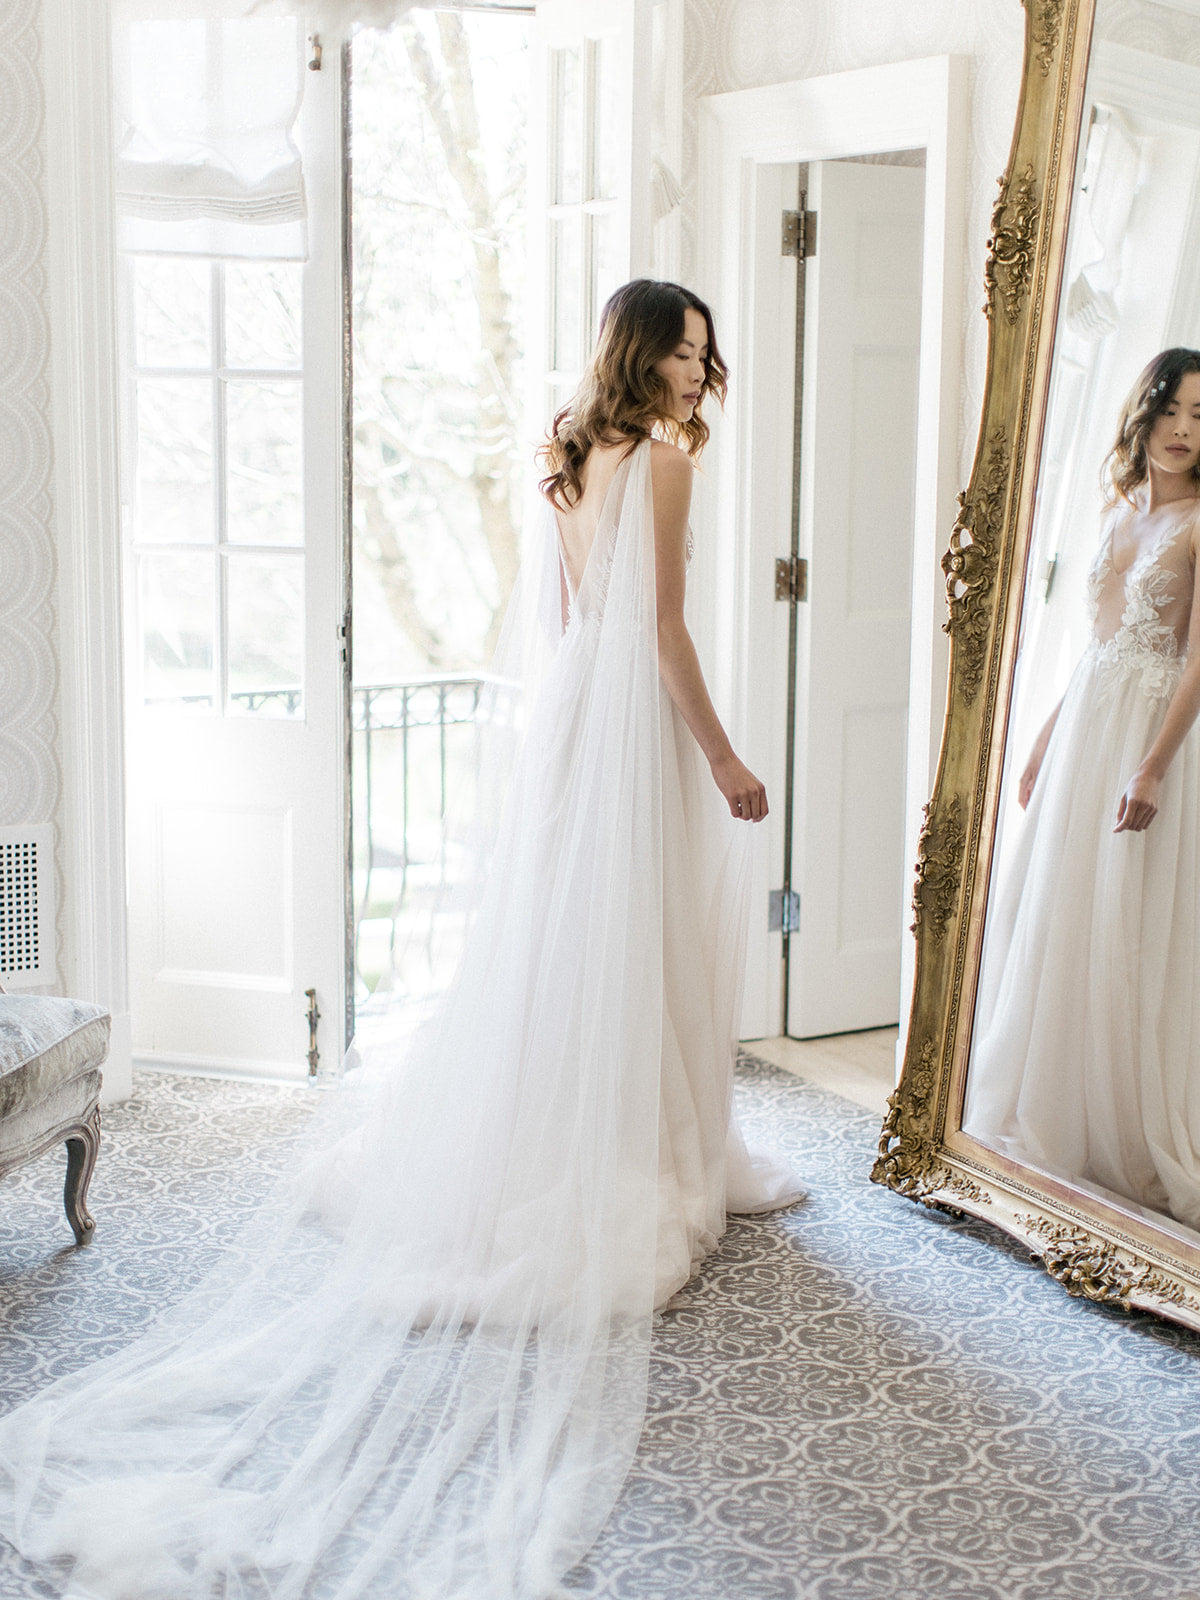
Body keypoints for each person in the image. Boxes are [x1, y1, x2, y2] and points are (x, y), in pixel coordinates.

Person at [0, 279, 802, 1599]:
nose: (694, 373)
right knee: (634, 944)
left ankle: (585, 1130)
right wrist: (720, 758)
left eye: (707, 352)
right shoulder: (657, 464)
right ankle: (636, 1148)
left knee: (567, 955)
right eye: (679, 351)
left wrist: (564, 744)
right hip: (633, 734)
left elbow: (567, 627)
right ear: (640, 358)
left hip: (571, 729)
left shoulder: (571, 449)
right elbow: (658, 629)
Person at [964, 348, 1200, 1230]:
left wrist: (1152, 766)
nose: (1181, 429)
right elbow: (1096, 644)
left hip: (1149, 735)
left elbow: (1197, 663)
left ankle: (1128, 1123)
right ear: (1143, 413)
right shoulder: (1116, 508)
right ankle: (1056, 1107)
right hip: (1090, 727)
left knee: (1125, 918)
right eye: (1171, 409)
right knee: (1061, 910)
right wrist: (1047, 738)